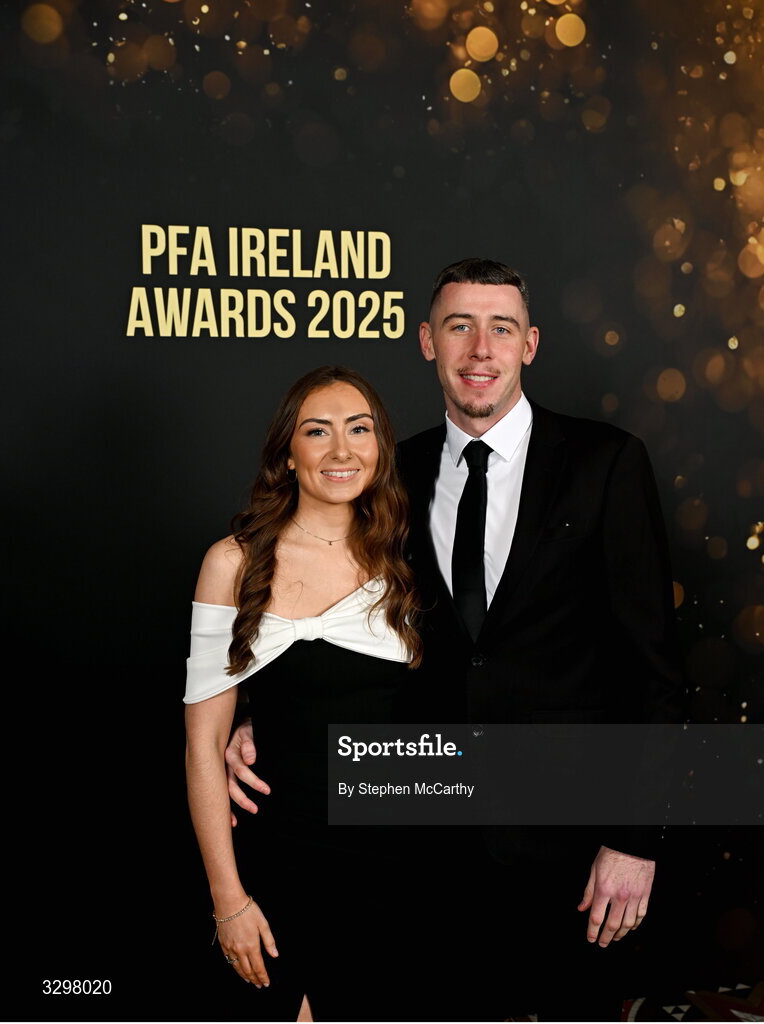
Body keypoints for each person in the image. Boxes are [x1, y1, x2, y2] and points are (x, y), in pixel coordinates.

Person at [225, 259, 685, 1021]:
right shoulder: (386, 474)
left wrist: (636, 841)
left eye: (501, 328)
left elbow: (654, 670)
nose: (480, 349)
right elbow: (327, 618)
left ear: (529, 344)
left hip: (567, 846)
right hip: (419, 847)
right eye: (459, 327)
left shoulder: (605, 463)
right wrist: (256, 717)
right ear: (426, 342)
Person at [184, 365, 423, 1022]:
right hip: (276, 859)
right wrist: (227, 898)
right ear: (288, 454)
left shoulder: (411, 557)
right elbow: (203, 744)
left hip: (394, 865)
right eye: (318, 432)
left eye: (359, 430)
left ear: (380, 446)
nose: (342, 450)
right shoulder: (232, 562)